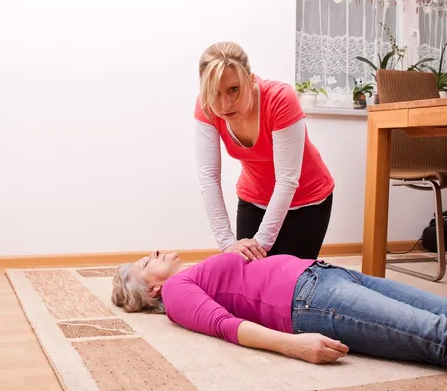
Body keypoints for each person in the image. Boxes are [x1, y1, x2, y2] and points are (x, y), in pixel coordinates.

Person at [111, 250, 447, 367]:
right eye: (146, 261)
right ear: (152, 289)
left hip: (328, 274)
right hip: (311, 301)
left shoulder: (191, 277)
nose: (155, 252)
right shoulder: (174, 294)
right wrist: (293, 345)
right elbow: (226, 326)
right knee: (435, 335)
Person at [194, 41, 335, 261]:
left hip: (307, 199)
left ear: (250, 81)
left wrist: (260, 245)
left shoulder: (280, 98)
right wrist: (228, 245)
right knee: (248, 278)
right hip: (254, 199)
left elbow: (287, 180)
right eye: (214, 93)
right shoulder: (207, 106)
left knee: (289, 284)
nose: (224, 104)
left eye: (234, 89)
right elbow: (208, 178)